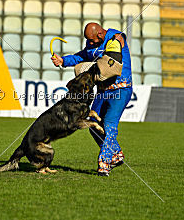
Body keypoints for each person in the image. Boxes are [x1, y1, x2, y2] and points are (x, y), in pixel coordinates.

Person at [51, 22, 133, 176]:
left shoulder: (113, 36)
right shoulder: (91, 44)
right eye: (88, 41)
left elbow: (120, 37)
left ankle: (104, 163)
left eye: (92, 41)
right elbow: (80, 57)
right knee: (93, 124)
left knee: (109, 124)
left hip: (121, 89)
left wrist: (119, 39)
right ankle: (116, 155)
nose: (90, 43)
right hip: (102, 91)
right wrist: (63, 61)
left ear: (100, 34)